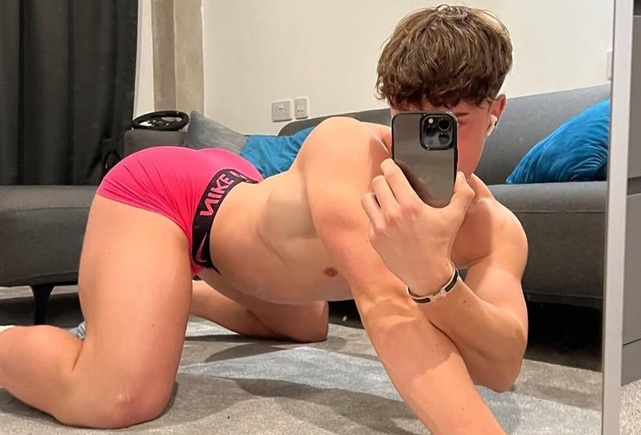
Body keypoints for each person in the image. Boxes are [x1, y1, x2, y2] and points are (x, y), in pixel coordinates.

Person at [0, 5, 527, 434]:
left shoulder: (496, 230)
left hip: (241, 205)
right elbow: (388, 311)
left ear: (495, 111)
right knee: (115, 397)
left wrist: (436, 280)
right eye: (410, 121)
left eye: (454, 122)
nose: (435, 145)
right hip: (178, 198)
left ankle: (175, 291)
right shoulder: (348, 147)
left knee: (308, 326)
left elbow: (500, 367)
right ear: (389, 107)